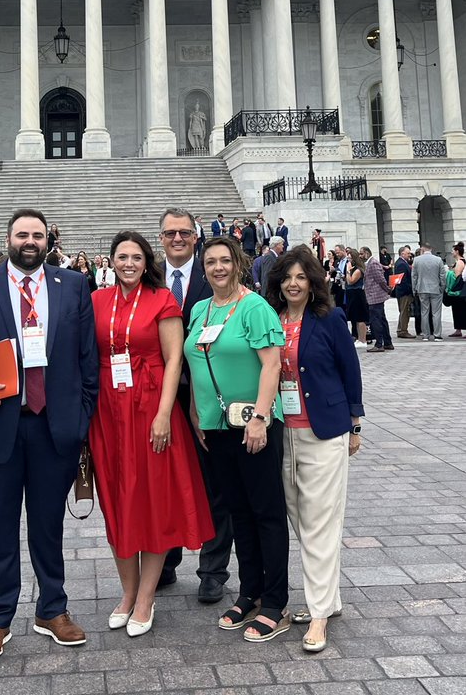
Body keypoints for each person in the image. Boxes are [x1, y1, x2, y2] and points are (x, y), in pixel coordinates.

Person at [0, 209, 99, 661]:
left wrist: (80, 419)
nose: (29, 241)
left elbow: (87, 359)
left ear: (48, 241)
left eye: (37, 235)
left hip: (53, 425)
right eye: (22, 234)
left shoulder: (74, 285)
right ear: (8, 238)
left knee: (47, 522)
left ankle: (52, 608)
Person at [90, 230, 214, 637]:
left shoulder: (163, 300)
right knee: (117, 501)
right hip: (109, 412)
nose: (129, 264)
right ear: (111, 261)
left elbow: (175, 358)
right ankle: (127, 594)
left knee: (153, 501)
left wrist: (164, 414)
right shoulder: (97, 301)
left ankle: (146, 597)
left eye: (136, 258)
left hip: (150, 409)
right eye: (122, 256)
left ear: (148, 262)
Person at [185, 235, 289, 642]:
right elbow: (197, 363)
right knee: (238, 513)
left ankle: (276, 601)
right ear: (203, 268)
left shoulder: (254, 307)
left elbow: (272, 365)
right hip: (215, 427)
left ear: (238, 263)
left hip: (253, 424)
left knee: (266, 512)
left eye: (225, 260)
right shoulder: (200, 309)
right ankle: (250, 593)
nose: (218, 268)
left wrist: (261, 416)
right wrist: (196, 412)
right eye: (210, 262)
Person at [265, 246, 363, 653]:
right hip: (282, 433)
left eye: (301, 277)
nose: (293, 283)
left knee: (320, 523)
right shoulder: (270, 319)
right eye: (287, 276)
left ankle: (318, 614)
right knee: (304, 523)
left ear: (313, 282)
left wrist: (356, 423)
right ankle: (331, 599)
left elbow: (349, 370)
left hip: (324, 432)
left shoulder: (330, 319)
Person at [156, 206, 234, 603]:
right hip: (162, 399)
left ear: (196, 235)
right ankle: (165, 562)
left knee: (214, 482)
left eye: (184, 233)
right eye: (170, 233)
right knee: (168, 480)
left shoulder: (215, 274)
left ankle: (213, 570)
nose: (177, 239)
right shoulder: (149, 275)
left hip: (209, 394)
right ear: (161, 237)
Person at [412, 243, 447, 340]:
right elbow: (442, 275)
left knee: (424, 312)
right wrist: (442, 287)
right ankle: (437, 334)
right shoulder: (438, 260)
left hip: (422, 289)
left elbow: (414, 276)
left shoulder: (417, 260)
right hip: (436, 289)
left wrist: (414, 288)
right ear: (431, 249)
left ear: (422, 249)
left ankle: (425, 335)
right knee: (436, 312)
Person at [362, 248, 394, 353]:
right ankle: (388, 342)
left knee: (376, 321)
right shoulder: (370, 263)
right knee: (382, 319)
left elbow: (380, 279)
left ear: (367, 253)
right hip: (374, 296)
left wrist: (388, 289)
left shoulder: (373, 263)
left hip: (375, 297)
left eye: (361, 254)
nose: (360, 256)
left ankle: (379, 344)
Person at [344, 249, 368, 348]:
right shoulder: (353, 268)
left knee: (360, 318)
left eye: (350, 258)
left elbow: (351, 281)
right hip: (351, 294)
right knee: (355, 318)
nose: (349, 261)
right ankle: (359, 338)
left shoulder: (358, 270)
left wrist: (348, 270)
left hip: (357, 294)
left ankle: (363, 339)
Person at [393, 246, 414, 337]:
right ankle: (403, 330)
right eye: (408, 253)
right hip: (404, 293)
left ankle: (401, 329)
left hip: (403, 292)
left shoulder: (402, 262)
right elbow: (402, 281)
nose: (410, 255)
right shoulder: (401, 264)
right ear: (402, 253)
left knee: (404, 311)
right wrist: (410, 289)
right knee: (404, 311)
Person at [448, 243, 466, 336]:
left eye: (453, 250)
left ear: (457, 251)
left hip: (458, 289)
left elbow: (457, 276)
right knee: (456, 309)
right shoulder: (459, 261)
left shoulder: (460, 262)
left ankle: (461, 328)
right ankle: (458, 329)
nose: (452, 252)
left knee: (461, 309)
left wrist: (449, 273)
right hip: (458, 289)